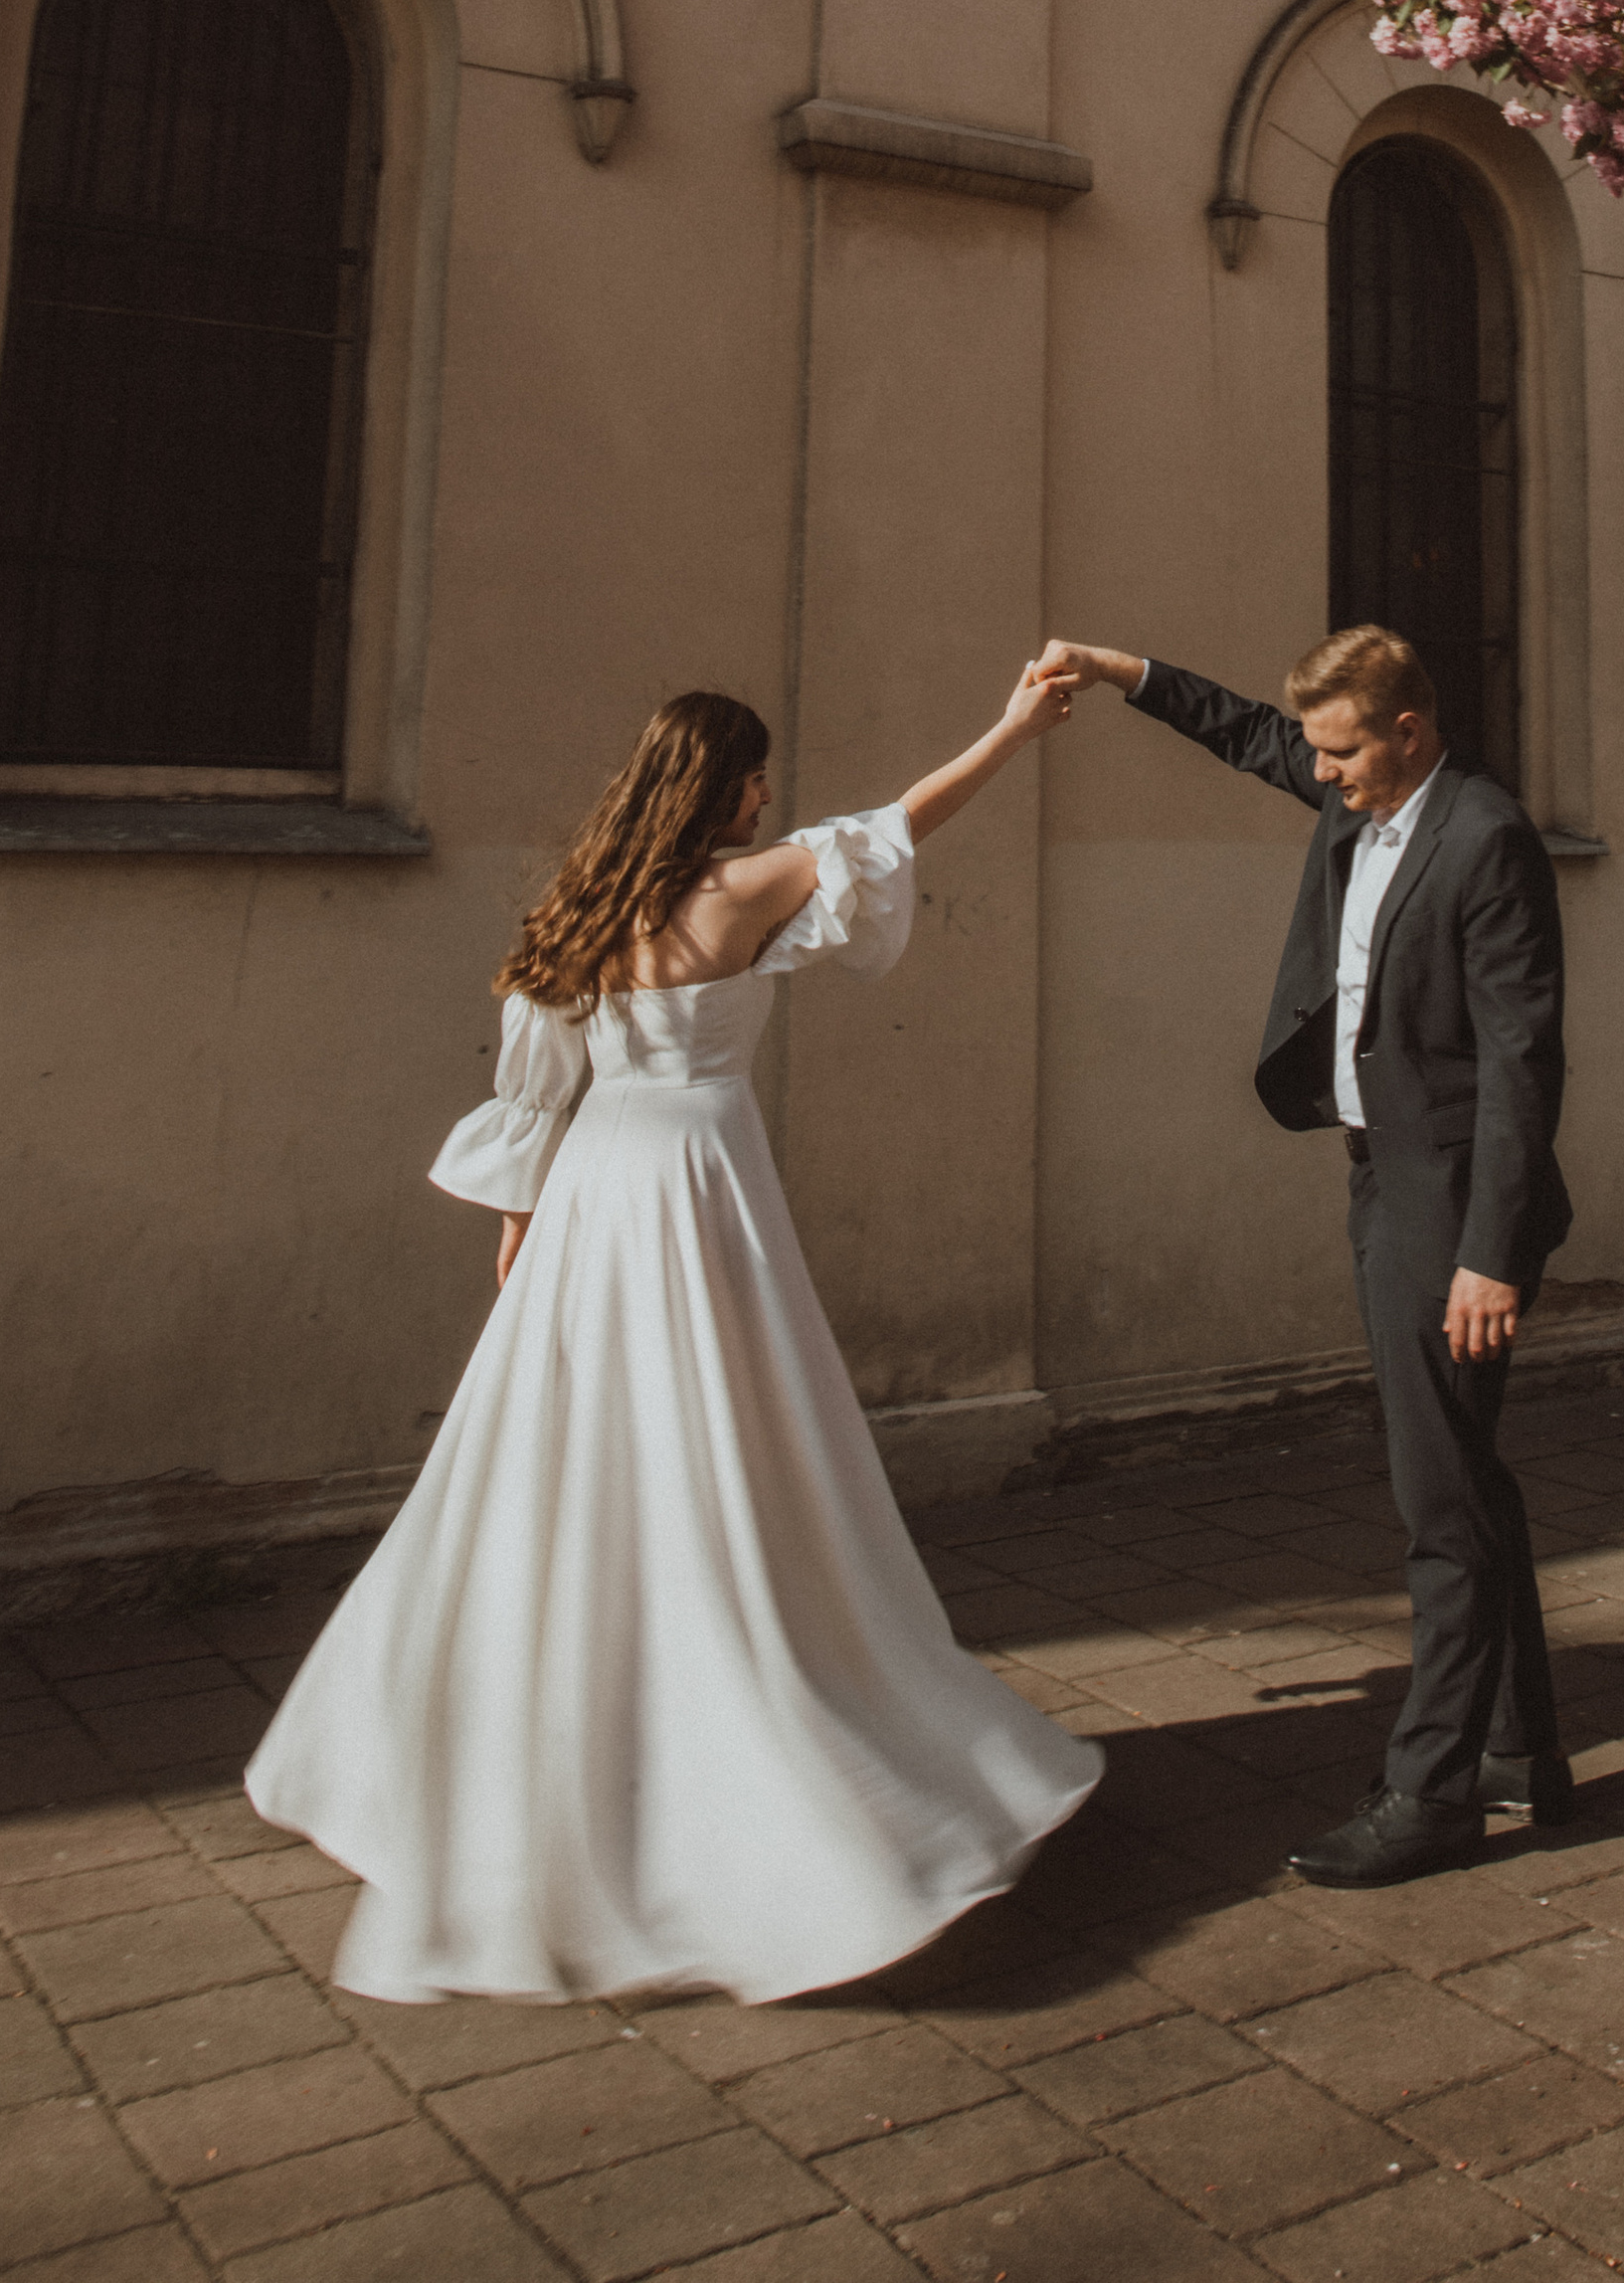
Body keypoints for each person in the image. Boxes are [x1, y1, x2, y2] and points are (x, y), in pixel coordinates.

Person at [246, 677, 1100, 2004]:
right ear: (739, 786)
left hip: (597, 1187)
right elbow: (898, 825)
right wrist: (1011, 730)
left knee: (561, 1451)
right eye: (758, 779)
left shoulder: (588, 902)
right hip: (700, 1189)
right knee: (725, 1438)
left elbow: (539, 1086)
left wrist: (521, 1228)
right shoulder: (750, 888)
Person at [1029, 623, 1572, 1888]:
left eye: (1341, 752)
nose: (1319, 774)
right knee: (1466, 1479)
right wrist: (1122, 677)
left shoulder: (1482, 837)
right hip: (1383, 1174)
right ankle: (1513, 1750)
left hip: (1448, 1208)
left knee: (1437, 1506)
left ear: (1407, 731)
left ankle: (1430, 1795)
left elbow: (1521, 1059)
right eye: (1316, 754)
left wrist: (1488, 1255)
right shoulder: (1359, 799)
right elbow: (1249, 733)